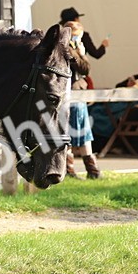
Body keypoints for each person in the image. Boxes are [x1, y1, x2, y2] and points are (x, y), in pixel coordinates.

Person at [63, 20, 101, 179]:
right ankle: (72, 170)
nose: (78, 40)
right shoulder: (67, 49)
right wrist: (82, 54)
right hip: (71, 96)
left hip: (78, 95)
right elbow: (84, 68)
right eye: (77, 37)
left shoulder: (71, 49)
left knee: (84, 133)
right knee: (71, 133)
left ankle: (91, 170)